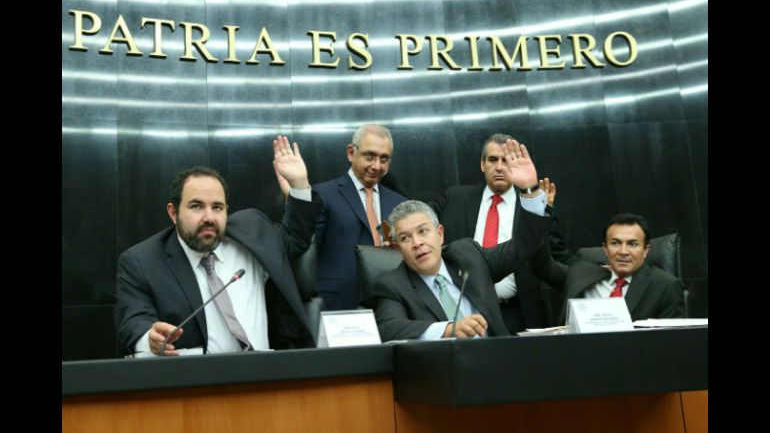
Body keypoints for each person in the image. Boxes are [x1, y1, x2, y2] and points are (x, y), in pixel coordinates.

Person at [114, 136, 323, 356]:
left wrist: (300, 185)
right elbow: (132, 322)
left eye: (217, 207)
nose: (209, 217)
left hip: (265, 370)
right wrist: (149, 339)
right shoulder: (142, 262)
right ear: (173, 213)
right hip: (200, 375)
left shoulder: (251, 235)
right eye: (196, 206)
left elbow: (295, 238)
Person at [369, 139, 551, 341]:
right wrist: (448, 330)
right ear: (397, 248)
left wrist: (529, 191)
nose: (417, 242)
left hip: (497, 353)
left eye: (423, 231)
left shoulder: (469, 257)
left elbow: (524, 245)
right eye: (405, 238)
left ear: (440, 234)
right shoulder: (392, 285)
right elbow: (389, 329)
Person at [429, 134, 574, 332]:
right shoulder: (455, 197)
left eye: (506, 160)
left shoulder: (534, 208)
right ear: (483, 164)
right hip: (463, 313)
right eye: (493, 159)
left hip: (517, 314)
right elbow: (420, 216)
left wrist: (595, 275)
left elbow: (558, 260)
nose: (499, 167)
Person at [277, 124, 407, 310]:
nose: (376, 166)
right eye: (369, 156)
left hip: (391, 303)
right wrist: (298, 199)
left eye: (384, 159)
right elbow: (302, 243)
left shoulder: (400, 204)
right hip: (340, 303)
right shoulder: (322, 195)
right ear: (351, 153)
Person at [530, 213, 685, 323]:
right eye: (615, 243)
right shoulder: (581, 274)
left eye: (632, 244)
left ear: (646, 250)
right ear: (605, 248)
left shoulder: (665, 286)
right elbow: (540, 264)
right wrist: (539, 212)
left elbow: (670, 344)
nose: (623, 251)